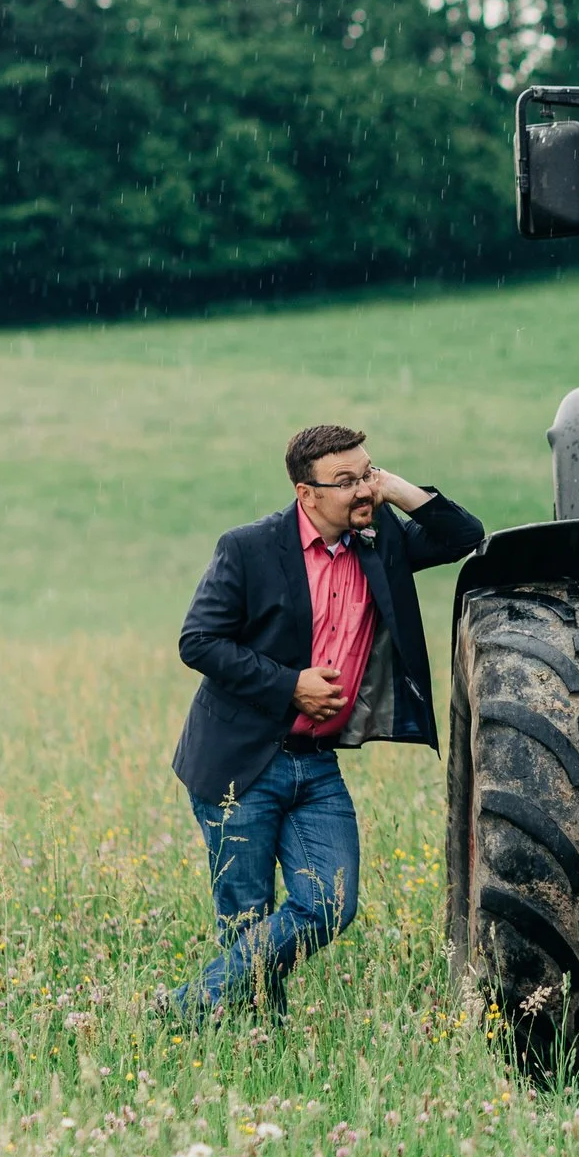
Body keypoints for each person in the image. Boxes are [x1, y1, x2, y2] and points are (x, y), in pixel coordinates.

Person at [167, 424, 483, 1022]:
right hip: (240, 759)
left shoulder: (381, 541)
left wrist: (390, 489)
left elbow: (465, 534)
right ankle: (258, 1040)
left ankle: (183, 1010)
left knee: (330, 904)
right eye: (346, 482)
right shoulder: (249, 548)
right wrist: (292, 685)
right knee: (246, 920)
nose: (362, 490)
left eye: (367, 472)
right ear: (305, 493)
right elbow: (198, 641)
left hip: (316, 765)